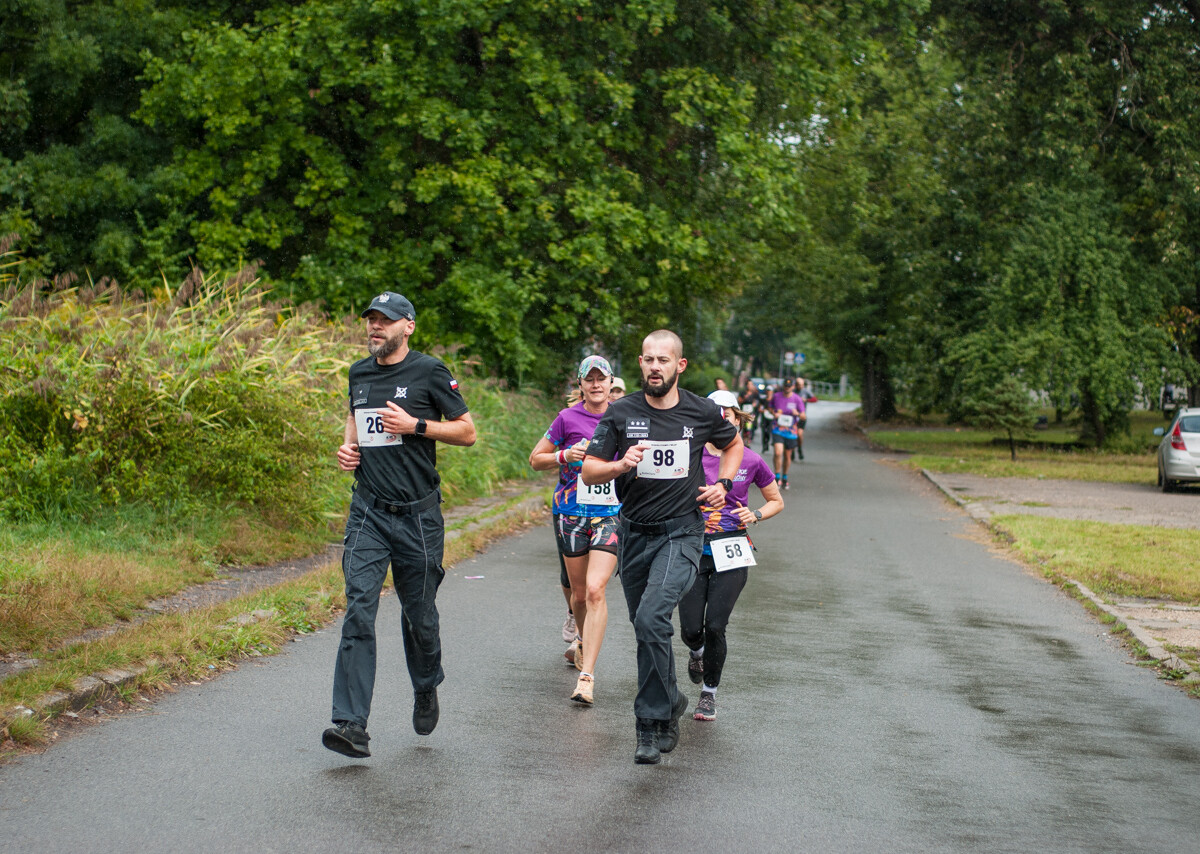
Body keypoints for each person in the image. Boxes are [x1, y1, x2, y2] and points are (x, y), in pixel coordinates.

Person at [323, 291, 477, 759]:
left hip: (418, 517)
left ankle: (426, 683)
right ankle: (351, 724)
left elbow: (467, 432)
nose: (375, 327)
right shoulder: (359, 372)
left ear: (407, 326)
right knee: (358, 610)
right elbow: (355, 415)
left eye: (385, 320)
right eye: (371, 320)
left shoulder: (429, 371)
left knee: (420, 617)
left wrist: (417, 426)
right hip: (369, 511)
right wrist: (349, 448)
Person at [582, 329, 743, 765]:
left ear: (679, 365)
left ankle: (648, 725)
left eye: (663, 360)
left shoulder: (702, 411)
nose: (655, 367)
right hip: (634, 533)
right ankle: (671, 699)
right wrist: (620, 463)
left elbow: (734, 445)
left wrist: (723, 484)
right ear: (641, 363)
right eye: (648, 360)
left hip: (682, 532)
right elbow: (590, 472)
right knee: (646, 626)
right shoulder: (621, 412)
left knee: (653, 616)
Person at [679, 390, 784, 722]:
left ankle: (709, 694)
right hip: (694, 548)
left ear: (739, 419)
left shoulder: (751, 460)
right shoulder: (690, 457)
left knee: (716, 625)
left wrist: (755, 515)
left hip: (733, 549)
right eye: (717, 412)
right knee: (690, 628)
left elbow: (776, 500)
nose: (723, 417)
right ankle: (696, 653)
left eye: (729, 413)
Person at [528, 356, 622, 704]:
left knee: (597, 591)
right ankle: (582, 639)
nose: (596, 384)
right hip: (570, 513)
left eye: (602, 379)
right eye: (590, 379)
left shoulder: (623, 414)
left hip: (611, 513)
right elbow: (536, 459)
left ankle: (587, 677)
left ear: (611, 382)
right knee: (579, 595)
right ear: (580, 384)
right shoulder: (567, 418)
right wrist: (565, 455)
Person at [770, 377, 805, 489]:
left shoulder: (797, 399)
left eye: (789, 386)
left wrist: (797, 414)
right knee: (778, 452)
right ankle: (777, 476)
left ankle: (785, 477)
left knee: (787, 455)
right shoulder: (776, 396)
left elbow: (804, 416)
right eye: (785, 386)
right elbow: (770, 407)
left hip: (791, 431)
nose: (787, 388)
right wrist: (774, 413)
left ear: (793, 387)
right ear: (783, 386)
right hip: (778, 429)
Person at [737, 378, 761, 445]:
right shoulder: (743, 393)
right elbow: (739, 401)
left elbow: (758, 402)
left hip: (751, 413)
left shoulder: (755, 393)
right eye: (748, 384)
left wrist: (755, 404)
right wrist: (745, 398)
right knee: (744, 427)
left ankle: (748, 441)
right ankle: (744, 441)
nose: (749, 386)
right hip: (744, 413)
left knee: (749, 427)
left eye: (751, 384)